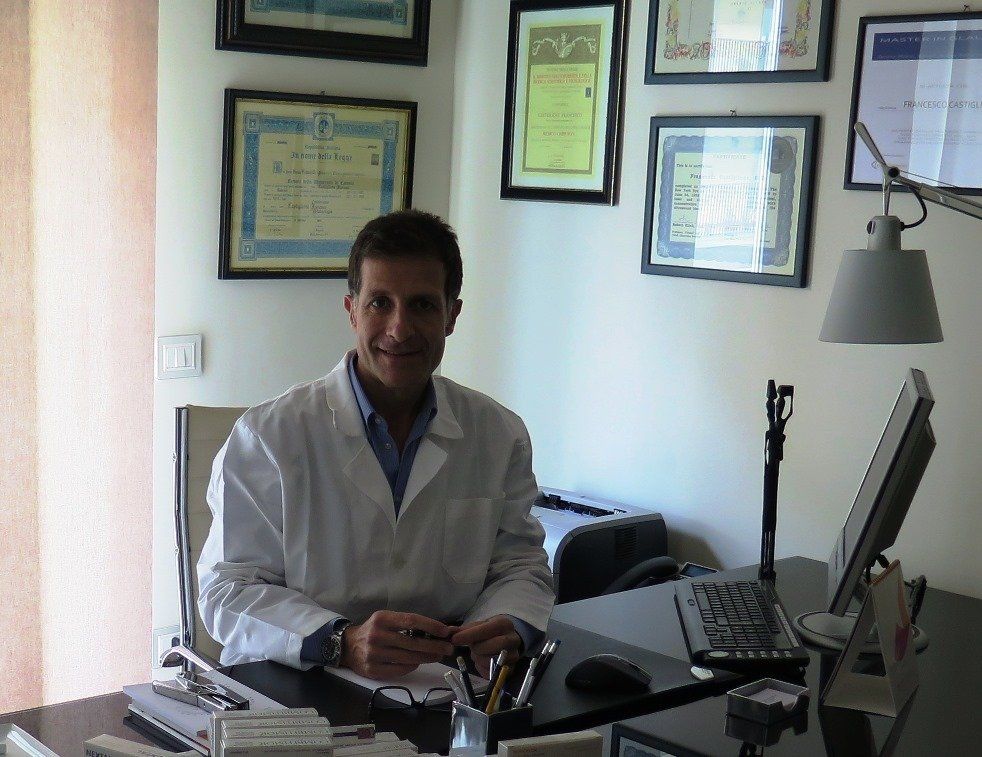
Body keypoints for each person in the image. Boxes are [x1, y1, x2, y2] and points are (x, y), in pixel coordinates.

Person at [197, 209, 555, 680]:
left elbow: (520, 565)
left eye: (422, 305)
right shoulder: (268, 436)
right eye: (380, 303)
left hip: (442, 686)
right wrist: (338, 641)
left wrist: (509, 622)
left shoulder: (498, 433)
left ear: (451, 315)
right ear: (352, 310)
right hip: (299, 684)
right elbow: (227, 590)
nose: (399, 329)